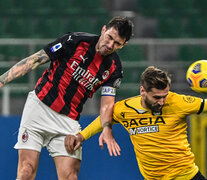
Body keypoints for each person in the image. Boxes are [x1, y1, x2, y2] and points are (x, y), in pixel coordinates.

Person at [0, 17, 133, 179]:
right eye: (110, 38)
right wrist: (1, 80)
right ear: (103, 30)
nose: (110, 45)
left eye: (117, 43)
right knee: (26, 171)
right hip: (38, 109)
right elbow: (34, 60)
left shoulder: (114, 68)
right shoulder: (75, 41)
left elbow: (107, 105)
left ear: (123, 45)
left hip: (68, 122)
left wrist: (107, 128)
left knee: (70, 177)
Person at [65, 66, 207, 180]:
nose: (162, 102)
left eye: (165, 96)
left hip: (185, 175)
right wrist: (81, 136)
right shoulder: (125, 108)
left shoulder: (178, 102)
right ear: (142, 91)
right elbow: (103, 117)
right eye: (157, 97)